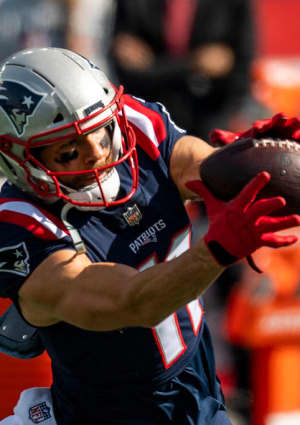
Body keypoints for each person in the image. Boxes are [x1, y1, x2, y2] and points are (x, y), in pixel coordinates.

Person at [0, 47, 299, 425]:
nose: (98, 154)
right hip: (113, 412)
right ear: (18, 159)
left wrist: (239, 166)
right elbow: (132, 302)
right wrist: (217, 250)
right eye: (69, 150)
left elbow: (193, 162)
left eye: (102, 132)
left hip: (196, 378)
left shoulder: (131, 126)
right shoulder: (19, 226)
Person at [110, 0, 261, 140]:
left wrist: (155, 67)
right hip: (149, 114)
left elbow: (243, 60)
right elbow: (123, 57)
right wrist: (195, 63)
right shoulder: (134, 5)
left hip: (213, 112)